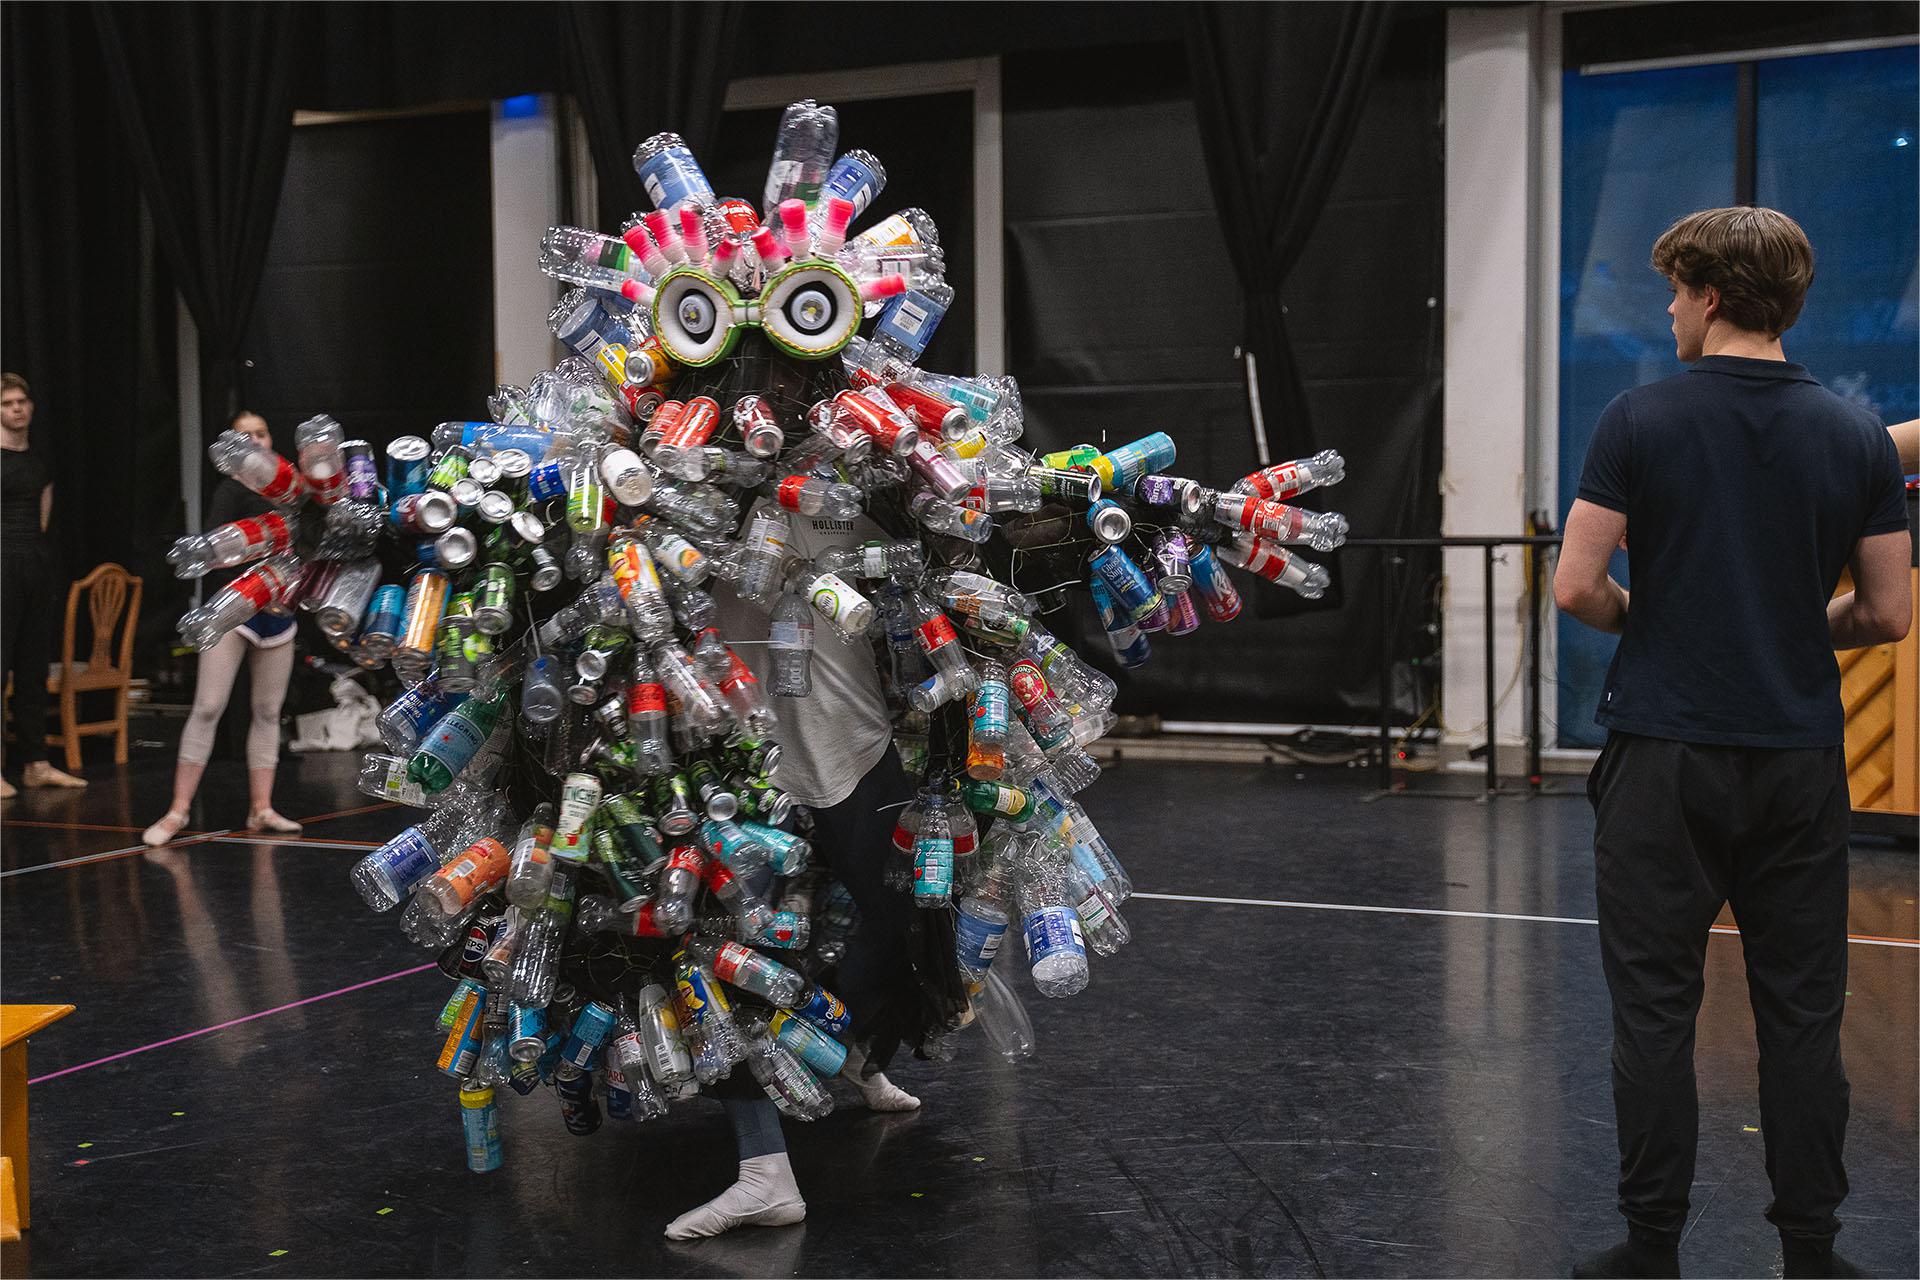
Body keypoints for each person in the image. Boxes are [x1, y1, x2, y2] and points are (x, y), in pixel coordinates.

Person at [1555, 207, 1911, 1280]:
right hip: (1799, 761)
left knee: (1655, 1011)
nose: (1667, 309)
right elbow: (1888, 613)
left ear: (1710, 296)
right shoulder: (1854, 435)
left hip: (1665, 755)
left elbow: (1576, 583)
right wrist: (1805, 626)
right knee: (1804, 1013)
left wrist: (1648, 621)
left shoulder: (1639, 419)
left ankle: (1652, 1246)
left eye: (1673, 293)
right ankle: (1812, 1250)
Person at [142, 411, 304, 845]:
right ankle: (177, 811)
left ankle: (262, 808)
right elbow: (216, 545)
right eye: (245, 436)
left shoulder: (294, 491)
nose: (255, 441)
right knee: (208, 706)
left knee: (269, 711)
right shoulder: (232, 489)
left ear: (272, 438)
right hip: (235, 611)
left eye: (262, 432)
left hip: (279, 614)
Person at [1, 372, 88, 797]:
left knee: (33, 668)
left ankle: (36, 763)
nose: (17, 408)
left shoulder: (37, 462)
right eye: (7, 403)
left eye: (21, 401)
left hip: (33, 564)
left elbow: (43, 517)